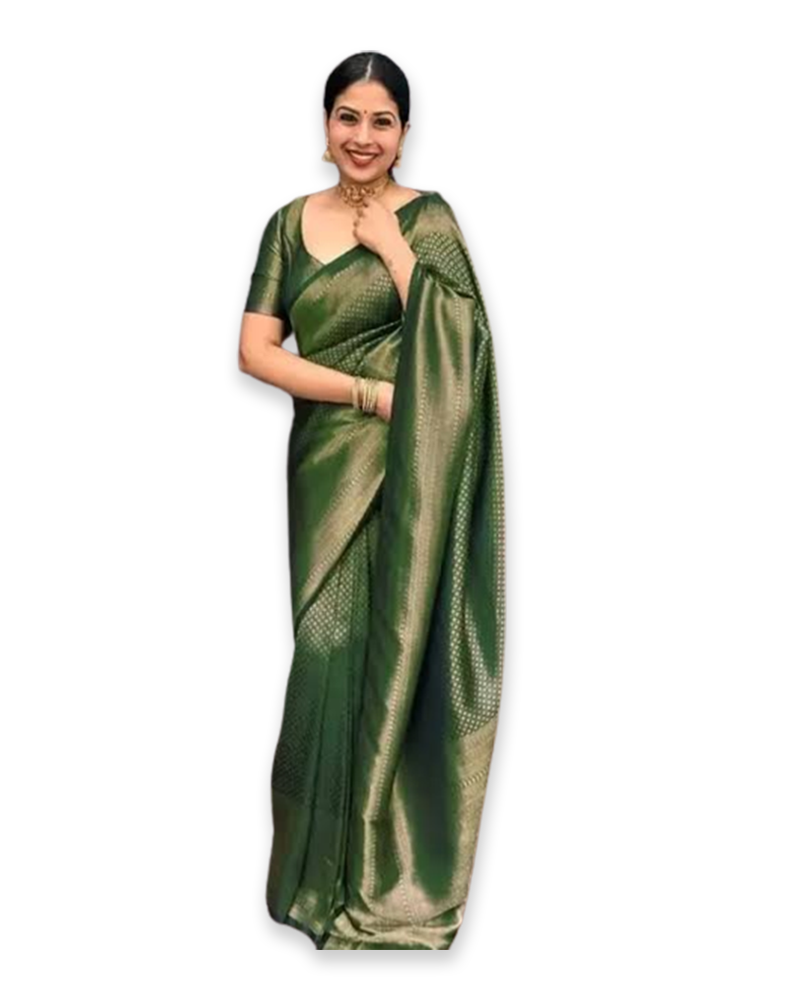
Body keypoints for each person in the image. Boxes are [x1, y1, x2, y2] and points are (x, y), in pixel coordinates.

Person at [238, 51, 506, 950]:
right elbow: (256, 351)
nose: (363, 137)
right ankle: (311, 875)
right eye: (347, 117)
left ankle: (383, 877)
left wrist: (395, 251)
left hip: (409, 473)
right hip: (328, 466)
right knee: (324, 652)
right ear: (325, 125)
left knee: (394, 650)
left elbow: (459, 342)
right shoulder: (287, 224)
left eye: (381, 121)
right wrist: (363, 393)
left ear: (404, 132)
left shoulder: (429, 220)